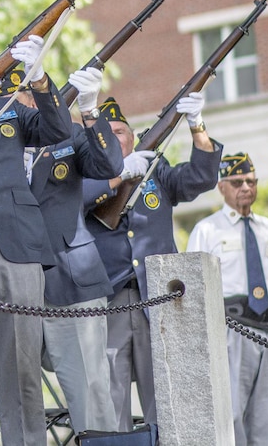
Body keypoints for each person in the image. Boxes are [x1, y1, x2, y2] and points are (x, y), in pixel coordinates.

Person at [0, 37, 74, 446]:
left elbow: (57, 129)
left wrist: (39, 80)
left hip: (17, 248)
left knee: (21, 371)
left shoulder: (9, 107)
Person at [83, 93, 222, 430]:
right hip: (110, 299)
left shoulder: (156, 172)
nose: (114, 138)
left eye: (119, 131)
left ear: (133, 136)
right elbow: (78, 202)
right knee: (110, 400)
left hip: (156, 298)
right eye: (106, 133)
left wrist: (196, 126)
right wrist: (117, 177)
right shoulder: (87, 177)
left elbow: (201, 178)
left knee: (165, 396)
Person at [24, 67, 123, 433]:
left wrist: (90, 110)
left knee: (90, 391)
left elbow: (110, 165)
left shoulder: (69, 134)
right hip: (13, 280)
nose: (25, 104)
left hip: (71, 280)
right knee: (17, 391)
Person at [187, 152, 268, 446]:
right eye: (237, 182)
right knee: (231, 416)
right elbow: (195, 288)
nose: (246, 187)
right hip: (230, 333)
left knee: (266, 423)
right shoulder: (207, 230)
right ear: (221, 186)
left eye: (251, 181)